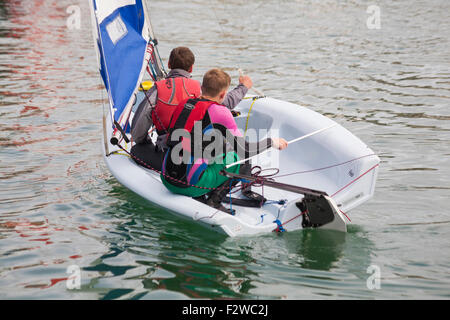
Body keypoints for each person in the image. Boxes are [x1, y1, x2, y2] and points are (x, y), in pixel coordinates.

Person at [161, 68, 288, 213]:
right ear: (223, 94)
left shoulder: (184, 104)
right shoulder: (221, 112)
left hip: (167, 179)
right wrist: (272, 142)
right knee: (240, 158)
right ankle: (214, 201)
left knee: (210, 148)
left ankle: (202, 186)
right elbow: (245, 150)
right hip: (190, 186)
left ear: (202, 88)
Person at [131, 47, 253, 170]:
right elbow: (226, 102)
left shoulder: (156, 90)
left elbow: (137, 133)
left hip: (167, 157)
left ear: (169, 64)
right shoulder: (200, 90)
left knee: (136, 149)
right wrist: (243, 87)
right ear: (191, 68)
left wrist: (145, 141)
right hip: (195, 156)